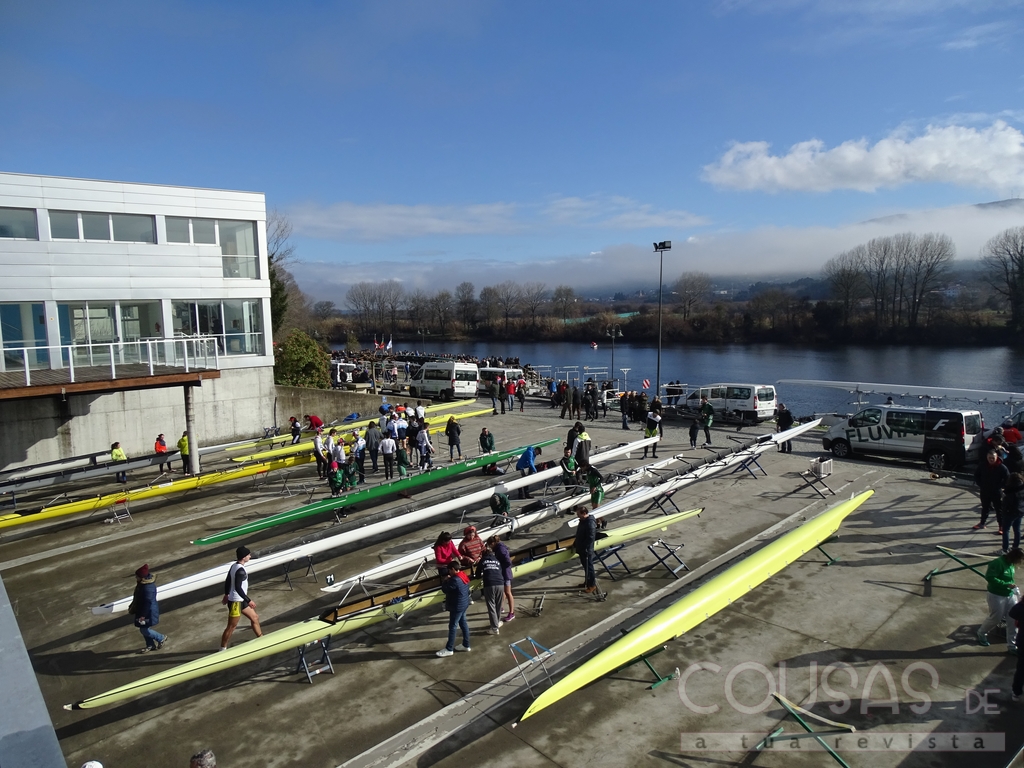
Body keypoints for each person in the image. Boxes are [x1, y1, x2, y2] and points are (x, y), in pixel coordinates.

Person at [978, 548, 1024, 651]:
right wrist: (1006, 584)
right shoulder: (997, 563)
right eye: (1020, 560)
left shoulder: (1011, 563)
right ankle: (982, 632)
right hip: (996, 594)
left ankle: (1012, 645)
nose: (1020, 562)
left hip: (1009, 594)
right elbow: (990, 578)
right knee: (996, 617)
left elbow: (1009, 578)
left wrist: (1011, 586)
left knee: (1013, 619)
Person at [221, 546, 263, 650]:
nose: (250, 556)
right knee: (231, 627)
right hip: (236, 602)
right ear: (244, 557)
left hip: (240, 600)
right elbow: (238, 588)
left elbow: (228, 581)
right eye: (248, 555)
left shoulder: (234, 566)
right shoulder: (240, 571)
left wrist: (226, 594)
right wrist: (249, 600)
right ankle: (222, 648)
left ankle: (261, 639)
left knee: (255, 617)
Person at [129, 564, 166, 652]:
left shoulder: (147, 588)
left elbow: (147, 603)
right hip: (143, 611)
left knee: (144, 630)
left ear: (142, 577)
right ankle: (150, 645)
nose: (136, 578)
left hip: (148, 612)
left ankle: (161, 638)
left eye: (137, 576)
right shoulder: (143, 584)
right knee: (144, 627)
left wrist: (143, 616)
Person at [436, 565, 471, 657]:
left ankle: (449, 648)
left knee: (453, 626)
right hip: (464, 604)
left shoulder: (455, 580)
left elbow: (445, 589)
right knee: (463, 624)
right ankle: (466, 644)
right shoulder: (463, 575)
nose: (449, 572)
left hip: (457, 606)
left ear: (453, 569)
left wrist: (445, 581)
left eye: (449, 570)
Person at [975, 449, 1009, 530]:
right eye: (989, 458)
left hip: (996, 491)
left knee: (998, 509)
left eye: (993, 458)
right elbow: (976, 475)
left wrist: (1001, 486)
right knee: (985, 507)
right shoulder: (982, 465)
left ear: (996, 457)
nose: (991, 460)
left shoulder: (1002, 467)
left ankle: (1001, 525)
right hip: (985, 490)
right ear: (987, 457)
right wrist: (981, 484)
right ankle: (982, 523)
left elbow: (1007, 478)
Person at [477, 540, 505, 634]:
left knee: (491, 606)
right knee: (498, 605)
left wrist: (483, 573)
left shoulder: (483, 560)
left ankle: (494, 628)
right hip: (500, 583)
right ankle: (497, 622)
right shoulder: (497, 560)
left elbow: (477, 574)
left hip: (489, 584)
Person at [488, 534, 515, 622]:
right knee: (503, 592)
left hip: (505, 574)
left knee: (508, 592)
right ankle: (500, 607)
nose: (490, 548)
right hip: (503, 573)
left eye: (490, 546)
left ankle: (511, 613)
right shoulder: (499, 548)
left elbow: (508, 561)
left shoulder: (501, 550)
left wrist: (500, 566)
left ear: (492, 543)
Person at [574, 506, 598, 593]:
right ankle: (587, 582)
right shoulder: (583, 521)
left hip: (586, 550)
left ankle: (592, 585)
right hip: (582, 548)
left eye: (578, 514)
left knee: (589, 568)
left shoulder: (589, 523)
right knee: (586, 567)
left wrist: (583, 546)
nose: (577, 516)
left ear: (584, 513)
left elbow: (590, 538)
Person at [1005, 473, 1024, 553]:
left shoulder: (1010, 489)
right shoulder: (1022, 488)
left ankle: (1005, 548)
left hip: (1010, 512)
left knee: (1006, 530)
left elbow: (1007, 502)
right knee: (1017, 530)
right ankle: (1015, 547)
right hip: (1020, 511)